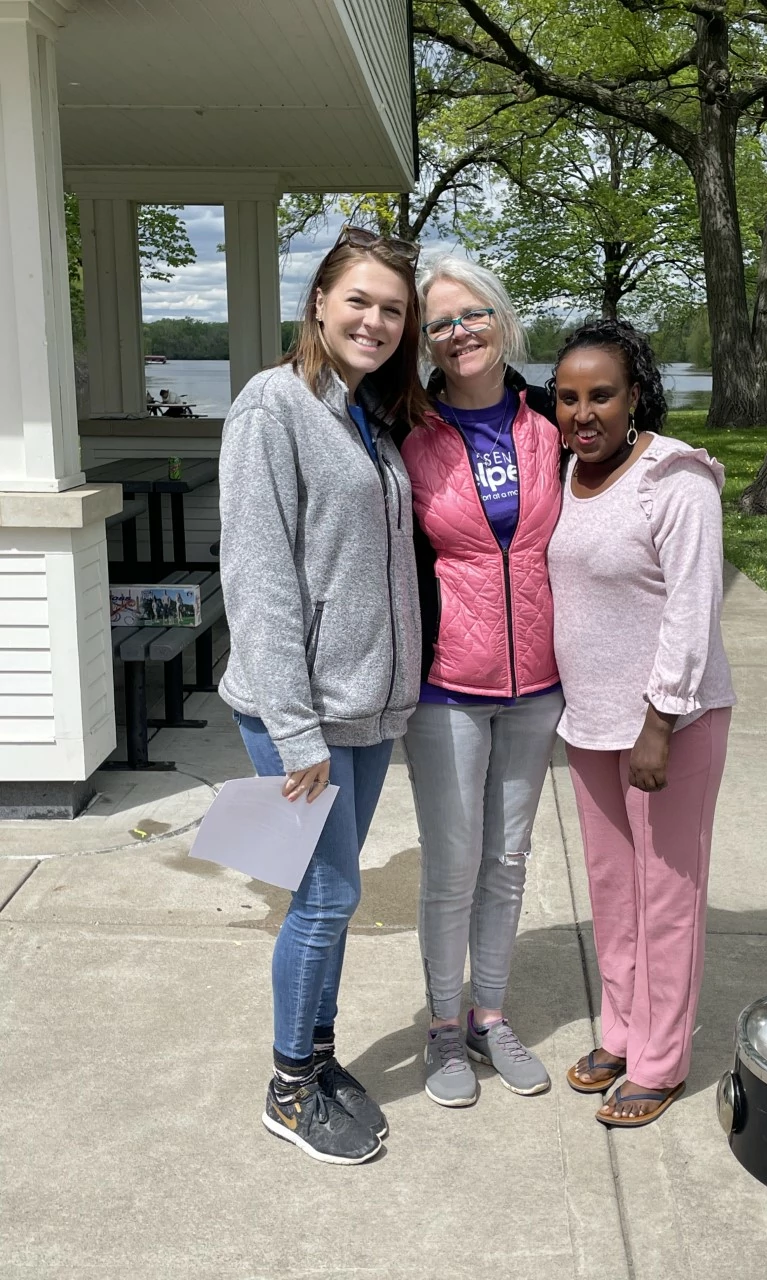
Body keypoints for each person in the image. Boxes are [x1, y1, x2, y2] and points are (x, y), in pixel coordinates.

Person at [218, 226, 427, 1164]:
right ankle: (288, 1089)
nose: (376, 321)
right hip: (293, 711)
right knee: (323, 896)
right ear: (318, 303)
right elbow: (257, 579)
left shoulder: (365, 414)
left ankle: (321, 1054)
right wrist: (296, 733)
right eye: (360, 301)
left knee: (332, 902)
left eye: (392, 308)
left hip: (366, 710)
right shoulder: (274, 405)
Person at [547, 320, 735, 1128]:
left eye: (601, 395)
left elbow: (693, 611)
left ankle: (661, 1060)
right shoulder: (565, 472)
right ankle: (621, 1033)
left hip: (671, 725)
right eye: (568, 398)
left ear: (635, 396)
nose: (583, 413)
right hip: (590, 722)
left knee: (667, 895)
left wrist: (659, 719)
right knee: (613, 888)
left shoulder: (676, 479)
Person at [400, 255, 563, 1107]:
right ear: (424, 342)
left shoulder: (548, 424)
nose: (457, 334)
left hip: (538, 683)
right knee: (453, 864)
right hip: (445, 687)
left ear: (501, 321)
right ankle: (439, 1028)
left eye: (472, 316)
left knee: (508, 858)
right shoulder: (409, 431)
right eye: (439, 324)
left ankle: (489, 1016)